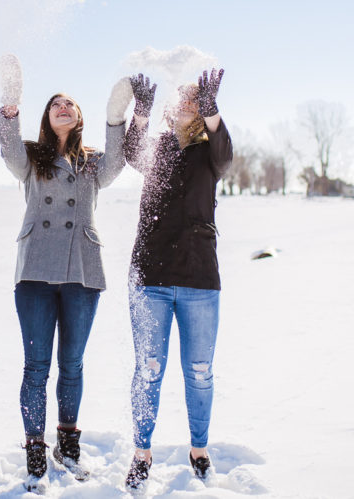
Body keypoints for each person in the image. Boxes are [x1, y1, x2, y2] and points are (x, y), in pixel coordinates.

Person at [0, 53, 132, 486]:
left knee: (72, 364)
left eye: (70, 104)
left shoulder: (92, 162)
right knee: (36, 365)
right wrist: (10, 105)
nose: (63, 107)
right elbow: (8, 150)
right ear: (46, 116)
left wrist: (116, 117)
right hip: (36, 270)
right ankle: (35, 449)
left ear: (79, 117)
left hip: (81, 273)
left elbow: (116, 164)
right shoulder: (31, 158)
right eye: (55, 103)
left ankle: (68, 444)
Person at [121, 69, 233, 490]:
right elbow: (134, 153)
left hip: (200, 278)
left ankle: (199, 449)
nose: (187, 102)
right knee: (148, 369)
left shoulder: (210, 154)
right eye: (181, 98)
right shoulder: (160, 148)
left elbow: (225, 153)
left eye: (195, 98)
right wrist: (142, 113)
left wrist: (213, 112)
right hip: (150, 274)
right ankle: (141, 451)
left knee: (200, 370)